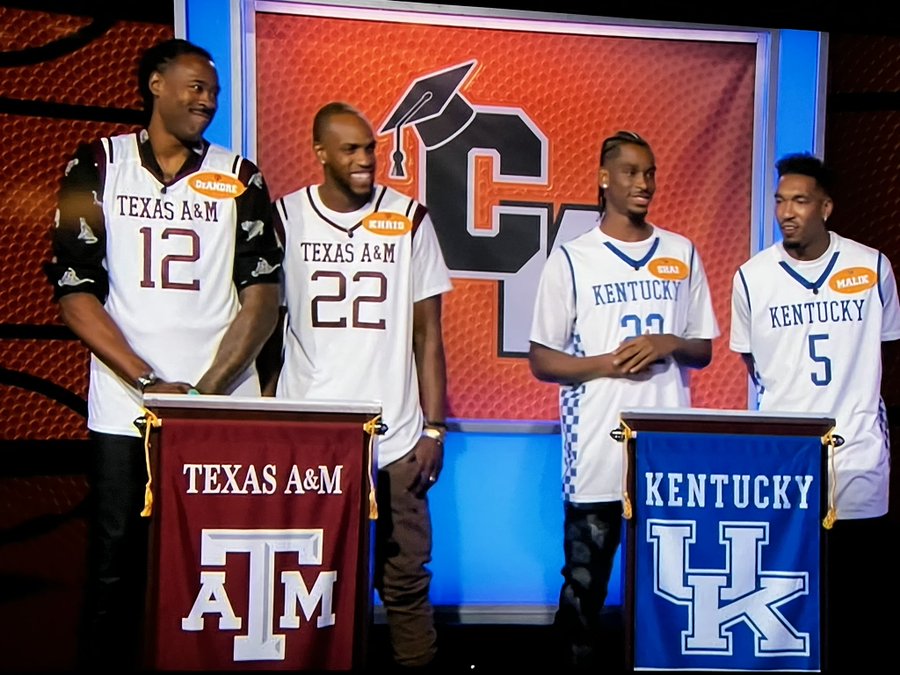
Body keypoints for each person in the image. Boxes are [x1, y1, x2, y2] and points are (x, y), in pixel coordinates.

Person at [43, 38, 283, 668]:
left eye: (214, 90)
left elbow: (262, 295)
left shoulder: (240, 176)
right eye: (195, 85)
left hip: (219, 411)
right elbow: (74, 293)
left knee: (215, 565)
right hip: (127, 410)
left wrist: (205, 393)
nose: (207, 98)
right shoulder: (97, 163)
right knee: (115, 562)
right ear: (154, 84)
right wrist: (150, 383)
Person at [265, 101, 452, 671]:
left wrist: (436, 427)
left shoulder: (410, 218)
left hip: (395, 435)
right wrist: (273, 419)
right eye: (350, 149)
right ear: (319, 151)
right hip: (312, 437)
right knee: (307, 580)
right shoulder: (286, 217)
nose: (366, 159)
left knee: (406, 580)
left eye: (370, 147)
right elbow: (266, 329)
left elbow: (429, 335)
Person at [528, 130, 719, 670]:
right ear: (603, 178)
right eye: (632, 172)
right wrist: (608, 363)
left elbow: (702, 349)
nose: (644, 183)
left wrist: (669, 343)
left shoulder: (680, 253)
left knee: (667, 584)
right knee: (584, 584)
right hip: (595, 447)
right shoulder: (572, 260)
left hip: (665, 450)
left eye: (651, 172)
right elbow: (542, 359)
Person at [729, 152, 900, 671]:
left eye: (800, 201)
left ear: (826, 207)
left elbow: (883, 350)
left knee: (856, 602)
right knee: (788, 598)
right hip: (785, 466)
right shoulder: (752, 278)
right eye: (780, 201)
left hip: (859, 455)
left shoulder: (872, 267)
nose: (786, 211)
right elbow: (750, 360)